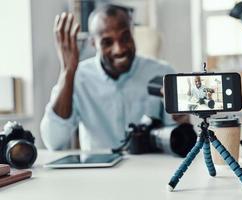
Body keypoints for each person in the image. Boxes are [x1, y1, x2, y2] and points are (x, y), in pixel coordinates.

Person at [40, 5, 188, 151]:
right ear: (93, 43)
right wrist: (67, 71)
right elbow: (54, 141)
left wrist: (182, 117)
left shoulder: (162, 72)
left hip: (151, 166)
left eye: (125, 37)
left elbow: (180, 137)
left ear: (132, 33)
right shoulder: (77, 77)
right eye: (107, 42)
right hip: (99, 171)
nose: (120, 49)